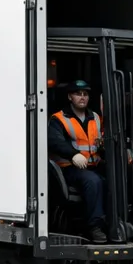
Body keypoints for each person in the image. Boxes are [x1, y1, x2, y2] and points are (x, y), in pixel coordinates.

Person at [49, 80, 108, 243]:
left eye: (85, 94)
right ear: (70, 97)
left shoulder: (95, 117)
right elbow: (54, 141)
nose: (82, 97)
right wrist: (73, 155)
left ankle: (113, 222)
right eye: (78, 94)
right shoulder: (59, 119)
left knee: (114, 178)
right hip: (69, 168)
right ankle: (94, 227)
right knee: (93, 181)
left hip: (93, 165)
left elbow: (101, 140)